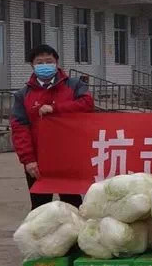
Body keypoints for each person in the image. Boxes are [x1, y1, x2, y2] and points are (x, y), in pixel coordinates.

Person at [11, 44, 93, 210]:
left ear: (56, 63)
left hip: (69, 157)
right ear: (32, 65)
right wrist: (28, 160)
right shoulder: (23, 95)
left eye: (49, 61)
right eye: (39, 62)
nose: (44, 65)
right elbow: (20, 128)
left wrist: (56, 108)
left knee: (73, 205)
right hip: (38, 160)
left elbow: (87, 104)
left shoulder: (74, 85)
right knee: (40, 207)